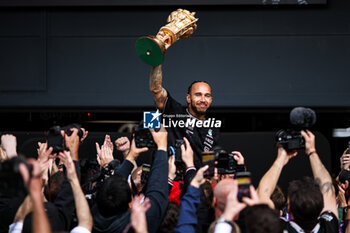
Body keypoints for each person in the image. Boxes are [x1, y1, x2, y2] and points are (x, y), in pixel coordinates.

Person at [257, 130, 339, 232]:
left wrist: (281, 159)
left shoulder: (278, 229)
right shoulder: (328, 227)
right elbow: (328, 190)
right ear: (321, 207)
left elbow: (262, 194)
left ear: (289, 208)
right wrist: (312, 151)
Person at [92, 126, 169, 233]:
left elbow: (114, 182)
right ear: (130, 204)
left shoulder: (93, 217)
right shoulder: (140, 223)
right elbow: (158, 190)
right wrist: (162, 146)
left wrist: (130, 156)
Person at [149, 65, 220, 168]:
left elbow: (208, 161)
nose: (203, 100)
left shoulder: (214, 128)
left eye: (207, 96)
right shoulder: (176, 112)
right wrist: (157, 61)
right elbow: (156, 90)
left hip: (199, 180)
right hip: (174, 179)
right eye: (198, 95)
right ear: (188, 98)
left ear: (211, 100)